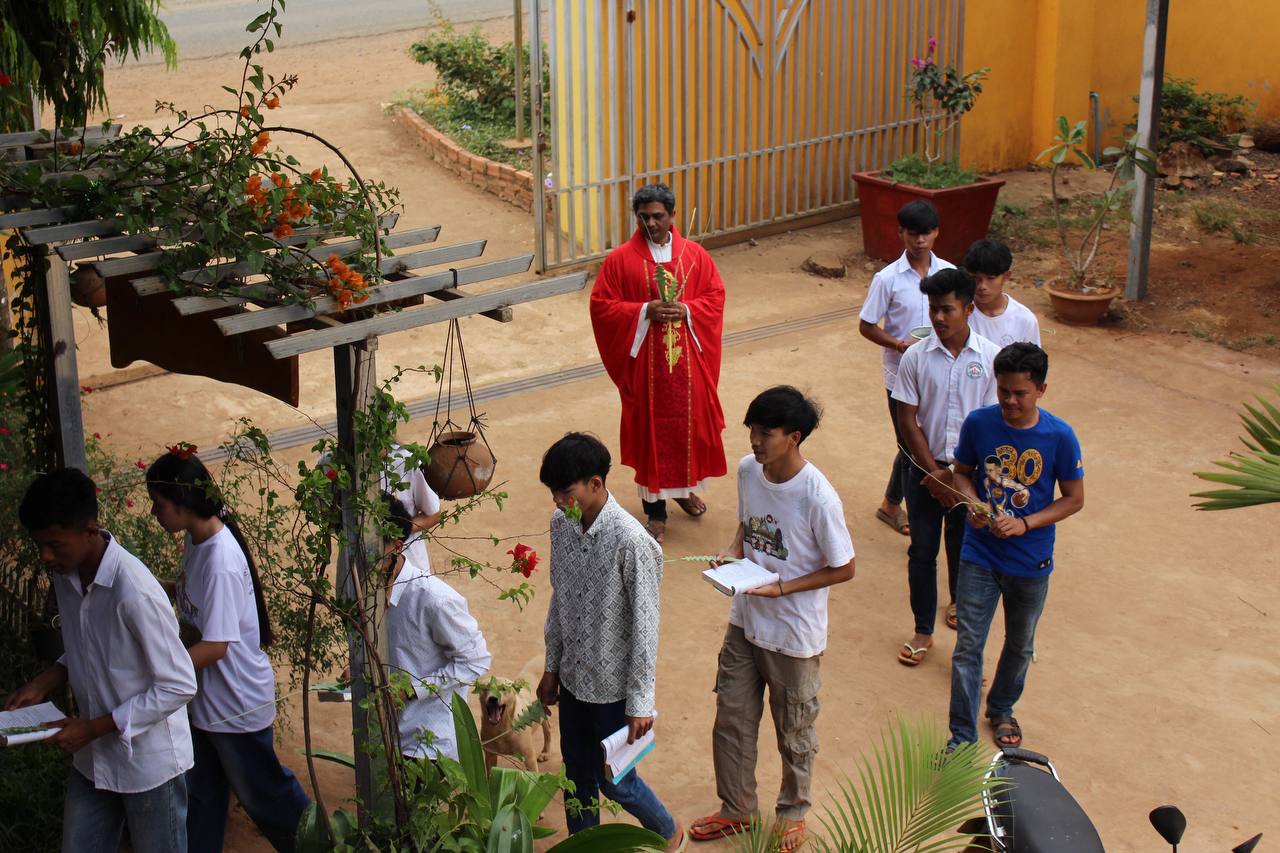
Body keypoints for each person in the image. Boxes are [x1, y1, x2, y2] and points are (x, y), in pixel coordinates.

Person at [690, 387, 855, 852]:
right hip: (745, 620)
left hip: (793, 635)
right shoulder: (749, 471)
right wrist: (732, 551)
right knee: (732, 718)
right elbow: (748, 524)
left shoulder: (818, 497)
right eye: (752, 431)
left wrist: (782, 587)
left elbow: (844, 567)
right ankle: (737, 809)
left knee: (794, 730)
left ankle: (793, 812)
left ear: (794, 437)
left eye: (766, 433)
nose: (755, 441)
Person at [6, 468, 197, 853]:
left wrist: (93, 728)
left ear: (90, 530)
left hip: (148, 764)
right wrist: (46, 680)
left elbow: (179, 685)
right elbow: (90, 645)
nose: (45, 557)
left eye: (54, 545)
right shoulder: (67, 574)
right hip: (93, 759)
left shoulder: (135, 592)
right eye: (39, 545)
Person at [146, 450, 311, 853]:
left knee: (267, 798)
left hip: (234, 708)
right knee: (202, 796)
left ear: (184, 503)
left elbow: (215, 646)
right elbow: (193, 596)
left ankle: (320, 846)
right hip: (208, 705)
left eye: (159, 503)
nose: (154, 512)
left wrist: (161, 672)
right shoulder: (197, 539)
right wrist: (151, 587)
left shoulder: (219, 559)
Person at [535, 432, 685, 851]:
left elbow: (646, 628)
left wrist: (640, 702)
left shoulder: (633, 543)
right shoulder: (561, 526)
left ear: (596, 484)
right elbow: (559, 599)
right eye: (552, 493)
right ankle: (585, 847)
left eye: (565, 492)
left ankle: (667, 831)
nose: (557, 502)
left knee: (615, 780)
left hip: (613, 691)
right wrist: (551, 667)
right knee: (576, 777)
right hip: (572, 680)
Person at [946, 343, 1084, 749]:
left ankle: (1002, 708)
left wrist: (1026, 523)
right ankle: (962, 738)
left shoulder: (1060, 436)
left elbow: (1074, 499)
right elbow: (962, 473)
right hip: (979, 553)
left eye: (1019, 393)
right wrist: (973, 502)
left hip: (1030, 560)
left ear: (1041, 389)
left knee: (1020, 644)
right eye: (1003, 390)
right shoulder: (979, 423)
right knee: (968, 646)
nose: (1009, 401)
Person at [590, 182, 727, 543]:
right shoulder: (620, 260)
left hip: (686, 364)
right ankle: (656, 511)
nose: (650, 223)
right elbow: (602, 306)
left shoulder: (695, 256)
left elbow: (714, 296)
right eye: (643, 217)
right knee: (650, 431)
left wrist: (687, 310)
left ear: (672, 216)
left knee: (689, 426)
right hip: (645, 366)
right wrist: (643, 311)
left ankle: (682, 489)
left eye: (657, 216)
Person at [891, 268, 1000, 666]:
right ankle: (923, 630)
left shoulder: (990, 358)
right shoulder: (915, 357)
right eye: (933, 309)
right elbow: (907, 419)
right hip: (923, 474)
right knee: (922, 551)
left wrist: (956, 477)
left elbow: (990, 423)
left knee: (965, 550)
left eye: (947, 309)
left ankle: (962, 626)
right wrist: (934, 474)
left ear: (968, 310)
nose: (938, 317)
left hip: (969, 476)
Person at [858, 199, 955, 539]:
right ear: (901, 233)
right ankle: (908, 510)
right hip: (900, 375)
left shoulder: (949, 274)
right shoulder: (887, 279)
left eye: (926, 233)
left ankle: (890, 504)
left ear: (936, 233)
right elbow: (867, 325)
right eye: (913, 234)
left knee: (920, 442)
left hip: (940, 372)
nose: (920, 241)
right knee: (911, 444)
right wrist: (899, 345)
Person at [380, 494, 491, 761]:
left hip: (429, 745)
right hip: (386, 737)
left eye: (371, 547)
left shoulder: (434, 599)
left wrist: (412, 689)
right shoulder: (366, 593)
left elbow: (476, 661)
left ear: (396, 547)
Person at [963, 239, 1041, 347]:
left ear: (1006, 276)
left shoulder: (1025, 320)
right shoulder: (960, 314)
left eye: (990, 278)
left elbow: (1032, 357)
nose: (982, 286)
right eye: (975, 278)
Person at [382, 441, 442, 574]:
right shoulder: (340, 465)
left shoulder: (406, 461)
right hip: (356, 566)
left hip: (409, 566)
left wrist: (400, 530)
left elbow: (433, 514)